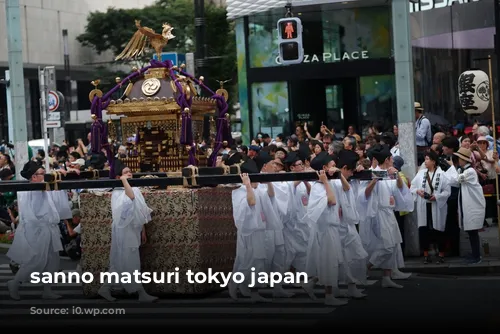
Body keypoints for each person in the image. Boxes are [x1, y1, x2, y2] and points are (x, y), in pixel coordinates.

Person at [6, 160, 72, 300]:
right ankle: (15, 283)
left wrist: (60, 175)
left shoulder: (41, 187)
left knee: (52, 260)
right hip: (38, 230)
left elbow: (54, 192)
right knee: (35, 260)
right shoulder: (32, 188)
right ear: (34, 176)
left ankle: (47, 289)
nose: (45, 176)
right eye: (42, 174)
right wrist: (57, 174)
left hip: (48, 228)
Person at [98, 160, 158, 302]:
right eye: (126, 172)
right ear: (119, 177)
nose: (130, 174)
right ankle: (140, 292)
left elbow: (141, 210)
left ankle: (104, 288)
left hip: (133, 229)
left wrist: (143, 229)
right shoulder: (118, 192)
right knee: (131, 261)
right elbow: (129, 198)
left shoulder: (134, 188)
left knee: (121, 261)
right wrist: (124, 181)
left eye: (130, 171)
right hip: (123, 230)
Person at [358, 145, 414, 289]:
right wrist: (374, 180)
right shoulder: (371, 173)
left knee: (394, 243)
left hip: (389, 212)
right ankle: (365, 268)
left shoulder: (390, 172)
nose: (392, 161)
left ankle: (387, 276)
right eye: (391, 159)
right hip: (377, 214)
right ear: (387, 159)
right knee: (386, 246)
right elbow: (362, 195)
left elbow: (400, 191)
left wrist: (397, 177)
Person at [302, 151, 347, 306]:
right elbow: (332, 201)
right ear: (323, 168)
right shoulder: (318, 186)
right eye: (332, 165)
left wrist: (338, 174)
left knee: (331, 260)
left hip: (332, 227)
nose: (334, 166)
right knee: (329, 261)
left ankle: (311, 284)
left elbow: (346, 188)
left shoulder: (330, 181)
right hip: (325, 229)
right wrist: (325, 181)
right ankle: (328, 296)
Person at [332, 149, 368, 298]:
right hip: (339, 225)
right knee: (344, 257)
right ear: (344, 168)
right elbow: (346, 188)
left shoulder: (341, 178)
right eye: (351, 171)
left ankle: (348, 287)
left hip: (347, 223)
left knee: (349, 256)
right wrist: (340, 174)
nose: (352, 174)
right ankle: (348, 287)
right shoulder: (335, 180)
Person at [445, 148, 486, 264]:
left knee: (473, 232)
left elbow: (456, 180)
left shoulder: (470, 172)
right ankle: (474, 254)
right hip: (468, 206)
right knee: (470, 231)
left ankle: (476, 257)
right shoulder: (465, 171)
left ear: (463, 159)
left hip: (473, 206)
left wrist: (451, 167)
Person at [410, 150, 451, 264]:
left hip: (436, 205)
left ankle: (441, 254)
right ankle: (426, 254)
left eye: (428, 159)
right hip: (424, 205)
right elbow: (412, 187)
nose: (425, 161)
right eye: (425, 159)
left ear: (433, 161)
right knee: (424, 230)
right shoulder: (421, 173)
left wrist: (437, 197)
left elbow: (447, 192)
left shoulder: (442, 174)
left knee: (439, 229)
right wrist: (418, 191)